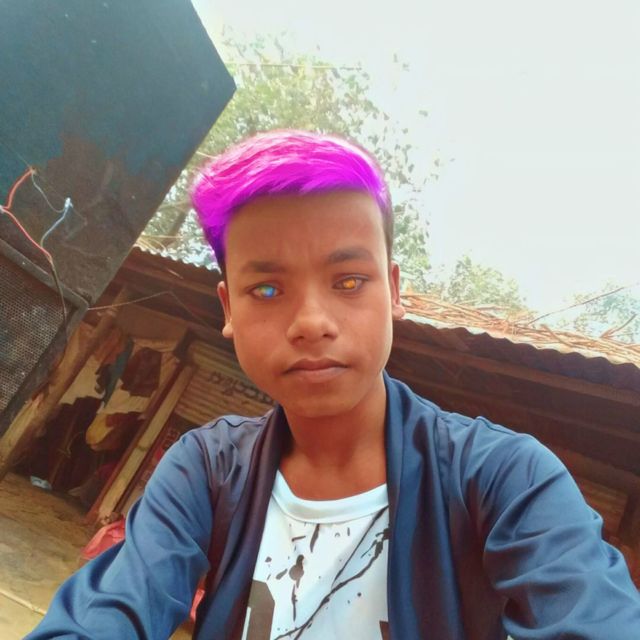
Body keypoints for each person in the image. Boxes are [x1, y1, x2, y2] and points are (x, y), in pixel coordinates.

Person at [27, 130, 640, 640]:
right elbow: (108, 612)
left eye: (348, 281)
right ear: (229, 308)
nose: (312, 322)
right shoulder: (205, 471)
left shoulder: (505, 479)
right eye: (267, 289)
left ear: (393, 291)